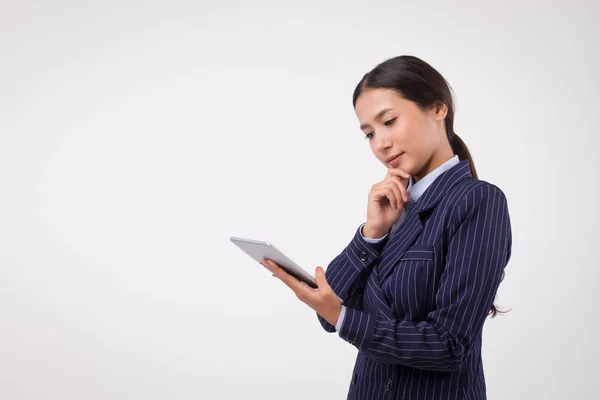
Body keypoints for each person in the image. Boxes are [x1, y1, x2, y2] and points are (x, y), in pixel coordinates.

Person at [260, 55, 512, 400]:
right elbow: (329, 312)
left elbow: (449, 345)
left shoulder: (478, 201)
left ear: (438, 109)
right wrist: (371, 233)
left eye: (389, 121)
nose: (380, 143)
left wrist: (343, 317)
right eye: (369, 134)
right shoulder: (394, 209)